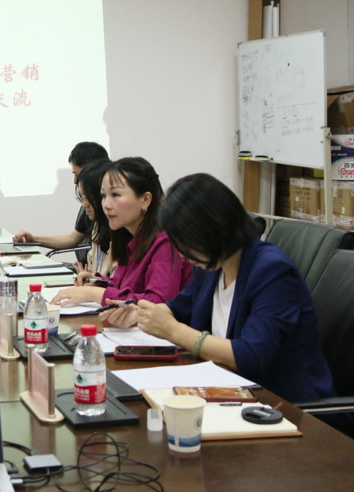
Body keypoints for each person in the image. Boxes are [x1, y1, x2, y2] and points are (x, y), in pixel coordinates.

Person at [101, 174, 337, 404]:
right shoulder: (212, 265)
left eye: (184, 241)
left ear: (212, 229)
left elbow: (251, 355)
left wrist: (173, 331)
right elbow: (178, 307)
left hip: (285, 406)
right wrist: (140, 314)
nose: (181, 252)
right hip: (229, 391)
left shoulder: (272, 271)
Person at [53, 157, 191, 307]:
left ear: (145, 199)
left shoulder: (165, 241)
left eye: (115, 195)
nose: (106, 205)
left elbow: (158, 302)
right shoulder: (128, 235)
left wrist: (95, 294)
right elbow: (123, 286)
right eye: (103, 196)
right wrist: (99, 283)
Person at [13, 142, 110, 257]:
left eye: (78, 175)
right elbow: (72, 239)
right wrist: (33, 239)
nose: (75, 181)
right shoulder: (91, 207)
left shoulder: (108, 214)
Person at [74, 159, 115, 279]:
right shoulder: (98, 226)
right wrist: (87, 278)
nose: (84, 204)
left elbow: (117, 286)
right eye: (81, 198)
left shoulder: (122, 234)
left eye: (87, 198)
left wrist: (91, 282)